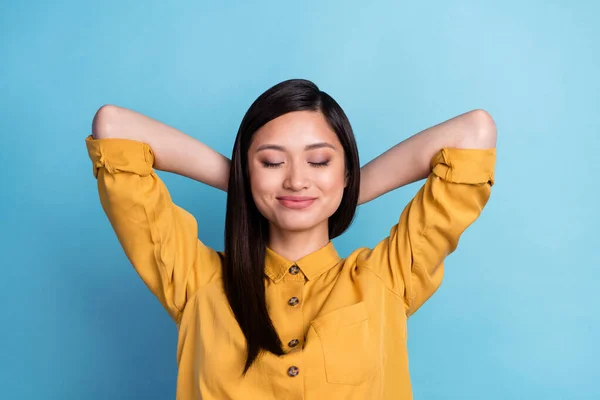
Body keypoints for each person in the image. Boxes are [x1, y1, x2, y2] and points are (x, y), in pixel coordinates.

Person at [86, 79, 496, 399]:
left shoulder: (387, 277)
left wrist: (343, 192)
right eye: (271, 161)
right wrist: (244, 185)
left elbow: (473, 132)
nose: (297, 180)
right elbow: (114, 126)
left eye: (319, 161)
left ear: (344, 169)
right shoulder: (197, 281)